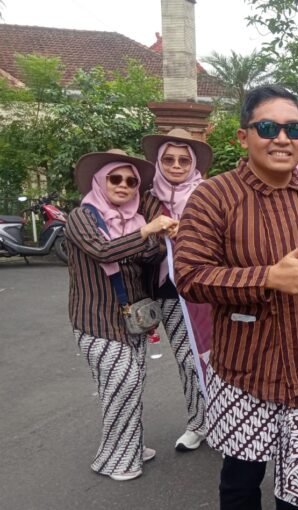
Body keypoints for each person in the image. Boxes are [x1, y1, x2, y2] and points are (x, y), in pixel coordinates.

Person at [173, 84, 298, 510]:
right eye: (268, 127)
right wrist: (267, 278)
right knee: (240, 483)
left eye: (293, 128)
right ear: (243, 137)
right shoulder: (213, 197)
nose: (282, 138)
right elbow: (190, 276)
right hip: (245, 371)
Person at [66, 149, 178, 481]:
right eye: (115, 179)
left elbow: (152, 256)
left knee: (128, 386)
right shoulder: (81, 217)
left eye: (131, 182)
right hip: (96, 321)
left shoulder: (137, 220)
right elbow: (102, 250)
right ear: (100, 182)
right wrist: (147, 233)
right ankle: (117, 460)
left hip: (134, 319)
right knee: (124, 384)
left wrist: (156, 239)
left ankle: (126, 446)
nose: (124, 185)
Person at [140, 128, 209, 450]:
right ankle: (198, 422)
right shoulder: (148, 198)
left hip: (207, 289)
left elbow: (222, 238)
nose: (176, 165)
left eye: (184, 160)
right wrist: (157, 236)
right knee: (185, 358)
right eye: (169, 159)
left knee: (215, 357)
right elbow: (135, 243)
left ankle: (226, 419)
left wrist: (189, 233)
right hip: (167, 291)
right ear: (159, 163)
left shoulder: (207, 194)